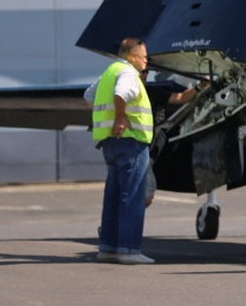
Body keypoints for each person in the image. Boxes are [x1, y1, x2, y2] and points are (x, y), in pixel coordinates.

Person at [85, 37, 203, 264]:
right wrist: (120, 118)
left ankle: (108, 248)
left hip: (110, 143)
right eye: (144, 57)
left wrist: (108, 118)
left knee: (114, 197)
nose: (147, 61)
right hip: (131, 142)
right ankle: (129, 250)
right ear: (132, 56)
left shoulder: (111, 71)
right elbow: (121, 94)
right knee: (132, 197)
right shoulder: (129, 74)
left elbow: (88, 96)